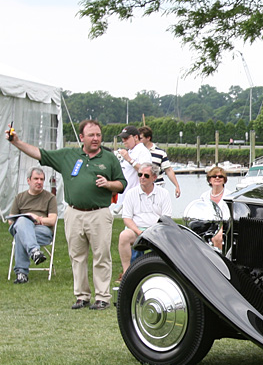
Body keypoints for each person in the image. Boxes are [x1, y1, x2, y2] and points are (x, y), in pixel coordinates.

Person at [7, 119, 126, 310]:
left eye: (98, 135)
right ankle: (82, 296)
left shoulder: (109, 158)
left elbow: (122, 184)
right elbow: (39, 153)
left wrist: (109, 184)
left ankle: (102, 297)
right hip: (74, 213)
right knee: (77, 256)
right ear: (81, 137)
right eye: (91, 135)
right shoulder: (68, 155)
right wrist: (16, 142)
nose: (95, 139)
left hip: (99, 213)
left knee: (101, 256)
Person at [117, 163, 172, 277]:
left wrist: (152, 232)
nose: (142, 177)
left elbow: (166, 218)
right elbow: (127, 218)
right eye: (140, 174)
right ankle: (127, 273)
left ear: (154, 178)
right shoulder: (131, 193)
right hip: (136, 231)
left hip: (156, 231)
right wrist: (138, 231)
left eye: (146, 175)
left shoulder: (164, 194)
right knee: (124, 236)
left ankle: (162, 271)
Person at [6, 167, 58, 284]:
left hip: (42, 231)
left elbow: (52, 221)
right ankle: (34, 251)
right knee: (22, 222)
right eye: (36, 179)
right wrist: (27, 218)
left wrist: (37, 219)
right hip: (23, 229)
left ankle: (21, 274)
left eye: (42, 179)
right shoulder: (19, 197)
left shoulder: (50, 198)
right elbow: (10, 221)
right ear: (28, 180)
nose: (39, 182)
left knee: (20, 235)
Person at [138, 125, 181, 198]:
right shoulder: (137, 153)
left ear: (148, 138)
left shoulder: (160, 153)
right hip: (142, 188)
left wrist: (177, 186)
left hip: (157, 187)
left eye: (141, 138)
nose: (138, 140)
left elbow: (168, 170)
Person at [196, 166, 230, 250]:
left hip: (225, 224)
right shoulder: (204, 196)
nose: (217, 178)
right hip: (207, 223)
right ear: (210, 180)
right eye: (214, 176)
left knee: (217, 237)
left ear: (224, 179)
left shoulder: (229, 195)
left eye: (220, 176)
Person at [115, 125, 152, 190]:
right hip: (124, 194)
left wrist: (129, 160)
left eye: (126, 138)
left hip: (135, 195)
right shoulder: (130, 151)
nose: (123, 140)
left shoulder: (143, 151)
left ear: (136, 137)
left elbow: (146, 171)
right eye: (122, 138)